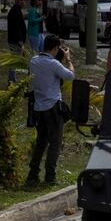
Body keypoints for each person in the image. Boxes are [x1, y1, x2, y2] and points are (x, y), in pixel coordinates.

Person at [27, 35, 75, 186]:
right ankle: (50, 176)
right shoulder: (54, 64)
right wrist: (68, 60)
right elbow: (70, 76)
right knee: (55, 143)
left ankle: (33, 174)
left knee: (41, 142)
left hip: (38, 107)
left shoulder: (33, 61)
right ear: (55, 48)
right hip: (53, 107)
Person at [7, 0, 27, 83]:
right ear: (16, 0)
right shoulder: (15, 11)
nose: (23, 2)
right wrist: (20, 41)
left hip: (15, 40)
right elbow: (16, 27)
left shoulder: (17, 10)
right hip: (16, 40)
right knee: (15, 60)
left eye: (24, 0)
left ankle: (12, 78)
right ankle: (11, 79)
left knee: (15, 60)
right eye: (21, 0)